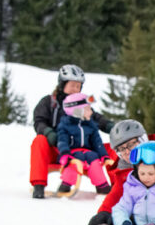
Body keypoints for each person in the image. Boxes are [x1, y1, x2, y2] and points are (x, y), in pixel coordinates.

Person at [30, 64, 114, 198]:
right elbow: (39, 121)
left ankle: (118, 186)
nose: (76, 89)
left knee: (114, 148)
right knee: (39, 141)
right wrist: (48, 133)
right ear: (62, 84)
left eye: (78, 86)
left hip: (84, 150)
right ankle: (38, 185)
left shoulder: (82, 105)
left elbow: (96, 118)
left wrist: (112, 127)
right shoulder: (49, 102)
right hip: (57, 149)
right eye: (72, 85)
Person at [55, 93, 111, 194]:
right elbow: (62, 140)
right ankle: (66, 184)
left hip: (87, 152)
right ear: (77, 112)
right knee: (76, 159)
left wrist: (104, 156)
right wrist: (65, 153)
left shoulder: (91, 125)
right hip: (72, 153)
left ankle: (102, 185)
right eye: (88, 109)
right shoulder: (65, 125)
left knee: (93, 156)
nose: (91, 112)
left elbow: (97, 141)